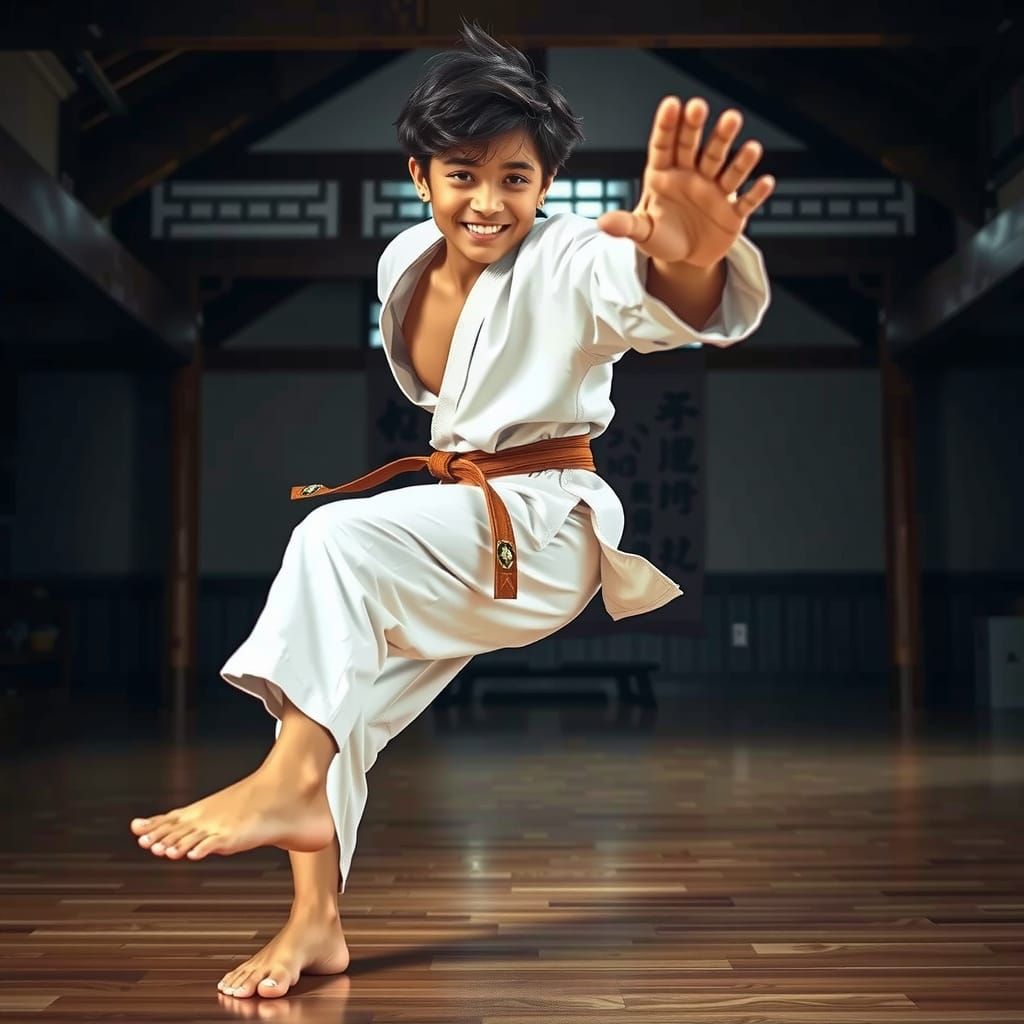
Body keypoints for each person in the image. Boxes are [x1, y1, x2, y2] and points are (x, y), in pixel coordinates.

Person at [129, 21, 773, 1000]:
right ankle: (314, 924)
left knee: (332, 536)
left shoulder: (569, 254)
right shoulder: (400, 263)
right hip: (458, 521)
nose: (489, 200)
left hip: (540, 527)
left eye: (516, 178)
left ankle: (287, 785)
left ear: (544, 187)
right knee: (332, 700)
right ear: (421, 175)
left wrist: (681, 259)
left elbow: (648, 292)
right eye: (463, 173)